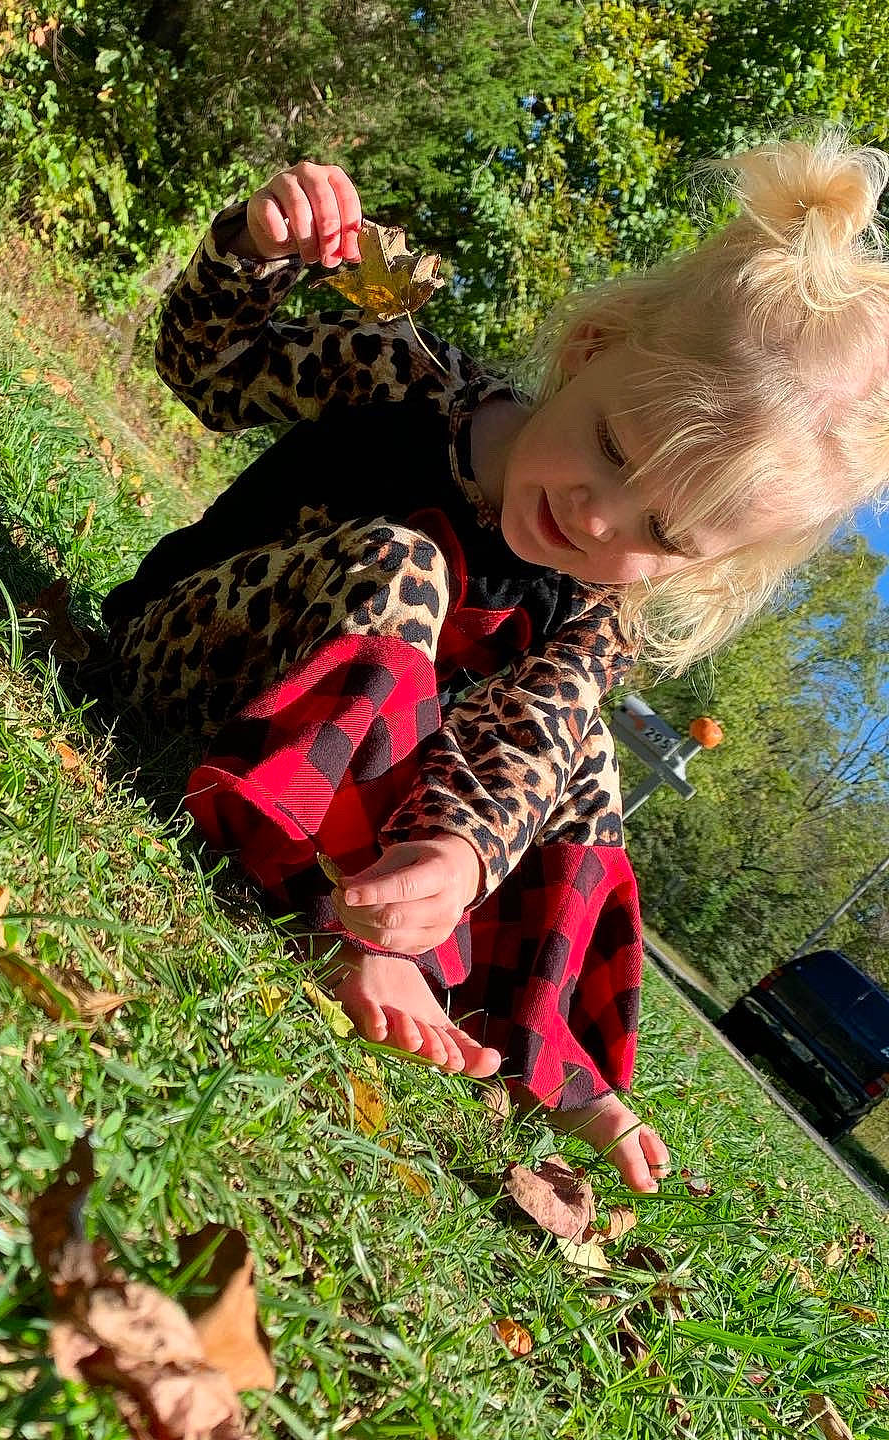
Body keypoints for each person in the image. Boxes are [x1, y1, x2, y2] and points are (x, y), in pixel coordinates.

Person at [99, 135, 889, 1193]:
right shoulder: (407, 386)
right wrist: (255, 246)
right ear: (590, 350)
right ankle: (346, 910)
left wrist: (460, 859)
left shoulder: (597, 611)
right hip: (193, 655)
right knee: (406, 564)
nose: (596, 514)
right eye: (612, 444)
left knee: (583, 751)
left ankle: (540, 1036)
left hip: (393, 800)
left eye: (659, 527)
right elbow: (210, 368)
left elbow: (518, 759)